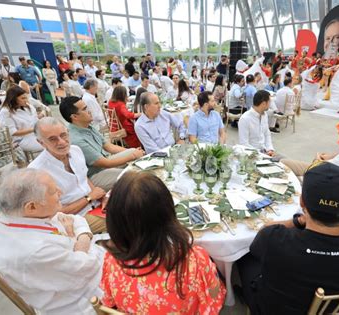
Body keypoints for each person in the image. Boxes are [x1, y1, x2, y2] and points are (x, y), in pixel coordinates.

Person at [237, 162, 339, 314]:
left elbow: (259, 240)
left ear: (302, 202)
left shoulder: (275, 239)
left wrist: (296, 221)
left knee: (244, 257)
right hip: (329, 310)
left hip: (271, 309)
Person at [100, 171, 226, 313]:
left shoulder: (111, 261)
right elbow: (213, 302)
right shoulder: (194, 259)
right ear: (168, 213)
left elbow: (108, 302)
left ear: (114, 219)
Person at [0, 168, 104, 315]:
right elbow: (86, 268)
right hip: (81, 300)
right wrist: (79, 237)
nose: (61, 192)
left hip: (78, 271)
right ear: (32, 206)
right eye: (53, 191)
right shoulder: (33, 250)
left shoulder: (17, 214)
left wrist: (80, 239)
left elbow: (77, 220)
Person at [29, 117, 108, 234]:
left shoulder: (76, 151)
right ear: (41, 143)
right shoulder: (37, 171)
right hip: (73, 219)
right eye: (53, 139)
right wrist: (89, 198)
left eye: (63, 135)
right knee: (123, 218)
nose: (61, 142)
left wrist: (101, 197)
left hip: (94, 205)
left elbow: (83, 178)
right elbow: (53, 213)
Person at [60, 96, 144, 191]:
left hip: (105, 161)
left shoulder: (87, 126)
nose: (89, 111)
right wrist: (133, 156)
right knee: (132, 177)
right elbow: (105, 163)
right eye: (84, 109)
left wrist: (133, 152)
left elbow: (109, 147)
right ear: (74, 117)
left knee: (134, 154)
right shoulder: (76, 139)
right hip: (94, 175)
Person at [0, 85, 43, 152]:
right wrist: (33, 129)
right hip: (20, 140)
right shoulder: (6, 112)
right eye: (23, 98)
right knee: (48, 145)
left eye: (26, 97)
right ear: (13, 99)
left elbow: (35, 120)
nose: (26, 100)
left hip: (35, 134)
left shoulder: (28, 107)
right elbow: (13, 132)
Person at [238, 90, 275, 156]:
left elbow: (267, 134)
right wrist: (260, 154)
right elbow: (243, 144)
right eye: (269, 102)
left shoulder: (265, 115)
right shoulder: (245, 119)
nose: (270, 104)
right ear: (263, 103)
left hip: (265, 151)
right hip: (252, 155)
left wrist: (270, 149)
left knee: (285, 162)